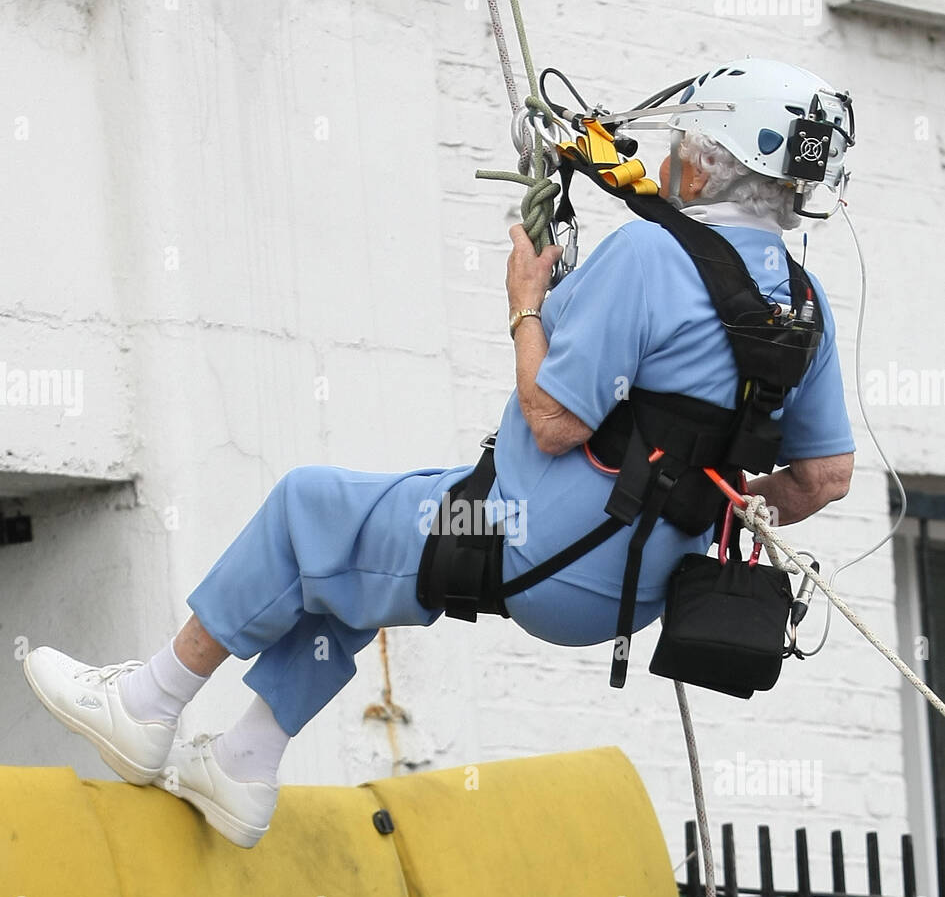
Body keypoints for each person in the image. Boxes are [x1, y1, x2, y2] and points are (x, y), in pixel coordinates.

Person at [24, 59, 856, 849]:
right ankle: (243, 766)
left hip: (532, 541)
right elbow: (823, 478)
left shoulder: (649, 254)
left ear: (710, 166)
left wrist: (525, 305)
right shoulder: (803, 304)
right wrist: (702, 496)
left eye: (682, 148)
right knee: (359, 551)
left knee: (307, 505)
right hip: (634, 590)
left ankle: (148, 701)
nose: (671, 161)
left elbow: (552, 422)